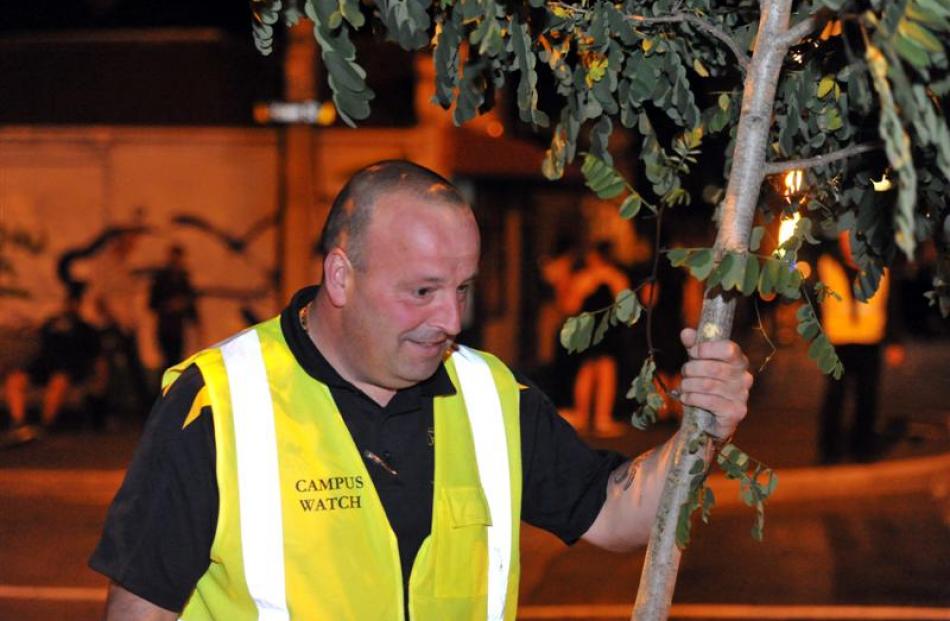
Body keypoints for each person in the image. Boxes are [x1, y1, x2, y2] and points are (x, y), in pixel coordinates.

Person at [90, 160, 753, 620]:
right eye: (422, 291)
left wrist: (705, 431)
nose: (451, 320)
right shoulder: (221, 402)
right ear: (342, 276)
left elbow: (615, 513)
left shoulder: (488, 396)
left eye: (460, 288)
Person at [816, 232, 902, 463]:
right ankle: (829, 450)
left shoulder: (879, 267)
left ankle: (862, 447)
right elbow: (815, 301)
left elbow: (891, 303)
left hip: (869, 340)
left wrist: (894, 340)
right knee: (835, 397)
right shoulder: (827, 264)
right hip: (838, 341)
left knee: (867, 396)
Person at [3, 285, 105, 433]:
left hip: (69, 367)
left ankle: (46, 424)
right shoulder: (50, 323)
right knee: (15, 378)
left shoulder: (86, 329)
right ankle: (19, 423)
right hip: (44, 364)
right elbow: (36, 340)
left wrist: (96, 376)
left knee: (59, 381)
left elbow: (96, 356)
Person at [561, 241, 631, 437]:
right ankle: (600, 418)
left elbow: (569, 306)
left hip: (590, 330)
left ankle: (586, 415)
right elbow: (625, 307)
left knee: (590, 371)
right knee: (603, 371)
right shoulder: (616, 277)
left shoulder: (585, 278)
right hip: (607, 330)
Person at [148, 244, 201, 370]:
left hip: (178, 329)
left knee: (177, 362)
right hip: (165, 328)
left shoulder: (183, 281)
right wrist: (169, 306)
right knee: (168, 363)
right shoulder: (161, 280)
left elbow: (191, 306)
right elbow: (152, 304)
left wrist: (197, 325)